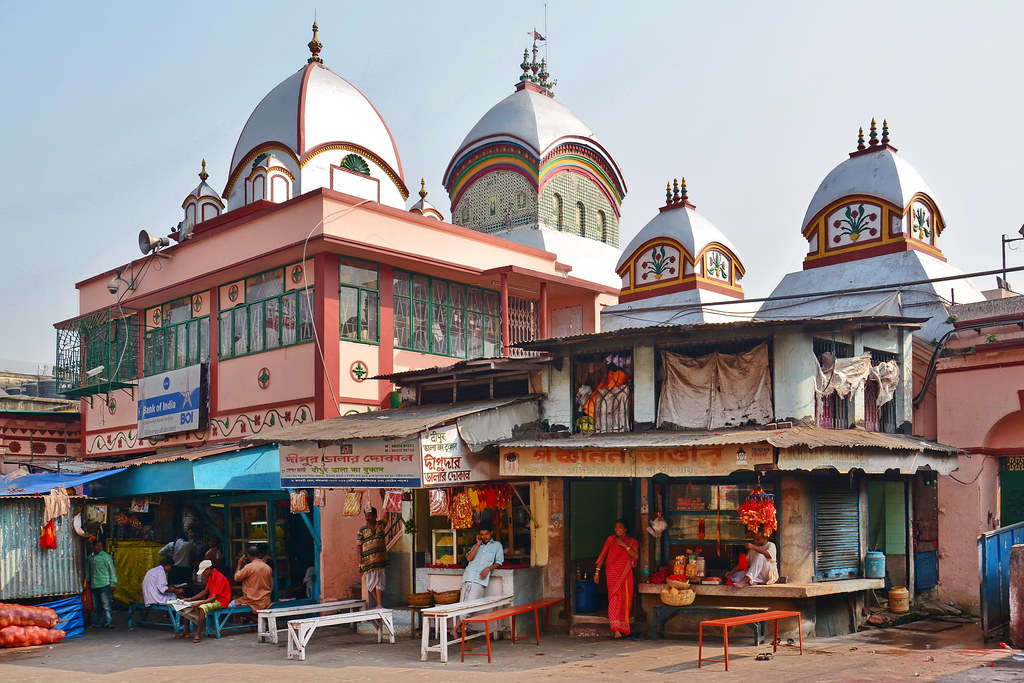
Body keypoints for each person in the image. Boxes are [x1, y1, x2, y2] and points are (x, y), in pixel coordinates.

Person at [449, 523, 504, 639]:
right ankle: (459, 630)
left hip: (480, 580)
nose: (484, 537)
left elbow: (499, 561)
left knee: (472, 606)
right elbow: (469, 558)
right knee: (464, 606)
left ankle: (455, 629)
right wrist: (478, 545)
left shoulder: (497, 546)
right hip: (469, 578)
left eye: (486, 534)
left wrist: (488, 569)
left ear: (491, 533)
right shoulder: (476, 546)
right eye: (482, 534)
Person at [594, 518, 639, 638]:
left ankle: (622, 627)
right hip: (612, 574)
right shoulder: (611, 539)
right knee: (614, 599)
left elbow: (635, 556)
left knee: (625, 599)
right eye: (616, 527)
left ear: (626, 529)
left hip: (626, 574)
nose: (617, 530)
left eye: (620, 527)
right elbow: (603, 555)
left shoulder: (632, 542)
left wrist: (624, 545)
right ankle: (615, 629)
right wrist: (597, 572)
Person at [177, 559, 230, 643]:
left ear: (208, 569)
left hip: (221, 601)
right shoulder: (211, 576)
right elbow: (205, 591)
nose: (203, 574)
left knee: (202, 608)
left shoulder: (219, 578)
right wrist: (190, 599)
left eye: (203, 571)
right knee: (187, 605)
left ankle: (198, 633)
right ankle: (186, 630)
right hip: (212, 599)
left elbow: (214, 598)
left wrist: (199, 603)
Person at [356, 507, 388, 608]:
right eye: (366, 515)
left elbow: (387, 514)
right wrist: (359, 556)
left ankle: (379, 604)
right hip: (368, 561)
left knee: (381, 582)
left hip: (380, 560)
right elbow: (358, 545)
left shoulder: (381, 525)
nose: (367, 518)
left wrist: (384, 497)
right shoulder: (362, 530)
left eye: (369, 515)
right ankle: (378, 603)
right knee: (371, 584)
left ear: (375, 516)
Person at [231, 545, 273, 612]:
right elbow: (271, 585)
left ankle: (256, 620)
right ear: (258, 554)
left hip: (252, 601)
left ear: (248, 555)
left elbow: (236, 578)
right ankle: (257, 620)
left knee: (231, 605)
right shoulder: (267, 567)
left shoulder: (249, 567)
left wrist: (239, 564)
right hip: (265, 600)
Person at [87, 539, 117, 628]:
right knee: (96, 605)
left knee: (106, 604)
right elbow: (88, 570)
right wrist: (88, 581)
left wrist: (113, 582)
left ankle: (108, 621)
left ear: (103, 547)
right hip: (94, 584)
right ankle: (97, 622)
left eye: (100, 546)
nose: (98, 547)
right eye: (97, 545)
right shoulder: (90, 557)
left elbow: (112, 570)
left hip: (105, 584)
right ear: (94, 546)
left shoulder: (106, 557)